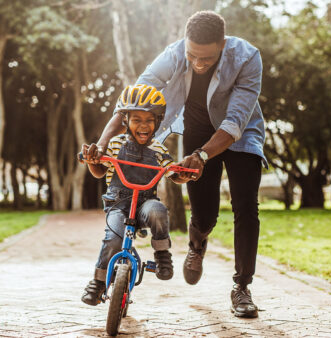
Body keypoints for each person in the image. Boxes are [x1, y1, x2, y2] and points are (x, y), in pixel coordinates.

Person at [85, 11, 266, 318]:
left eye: (207, 59)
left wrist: (203, 156)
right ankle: (198, 243)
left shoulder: (247, 58)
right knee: (205, 214)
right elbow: (133, 101)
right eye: (192, 55)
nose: (198, 63)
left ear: (223, 44)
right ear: (185, 43)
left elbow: (235, 121)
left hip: (241, 133)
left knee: (246, 206)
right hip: (198, 130)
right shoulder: (173, 54)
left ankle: (242, 287)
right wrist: (102, 143)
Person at [80, 84, 190, 306]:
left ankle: (162, 255)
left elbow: (172, 173)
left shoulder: (159, 150)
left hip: (145, 204)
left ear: (158, 122)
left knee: (158, 211)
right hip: (118, 205)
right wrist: (93, 162)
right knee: (113, 238)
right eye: (136, 119)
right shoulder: (114, 144)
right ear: (126, 121)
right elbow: (100, 171)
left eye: (149, 120)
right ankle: (98, 282)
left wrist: (184, 174)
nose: (143, 125)